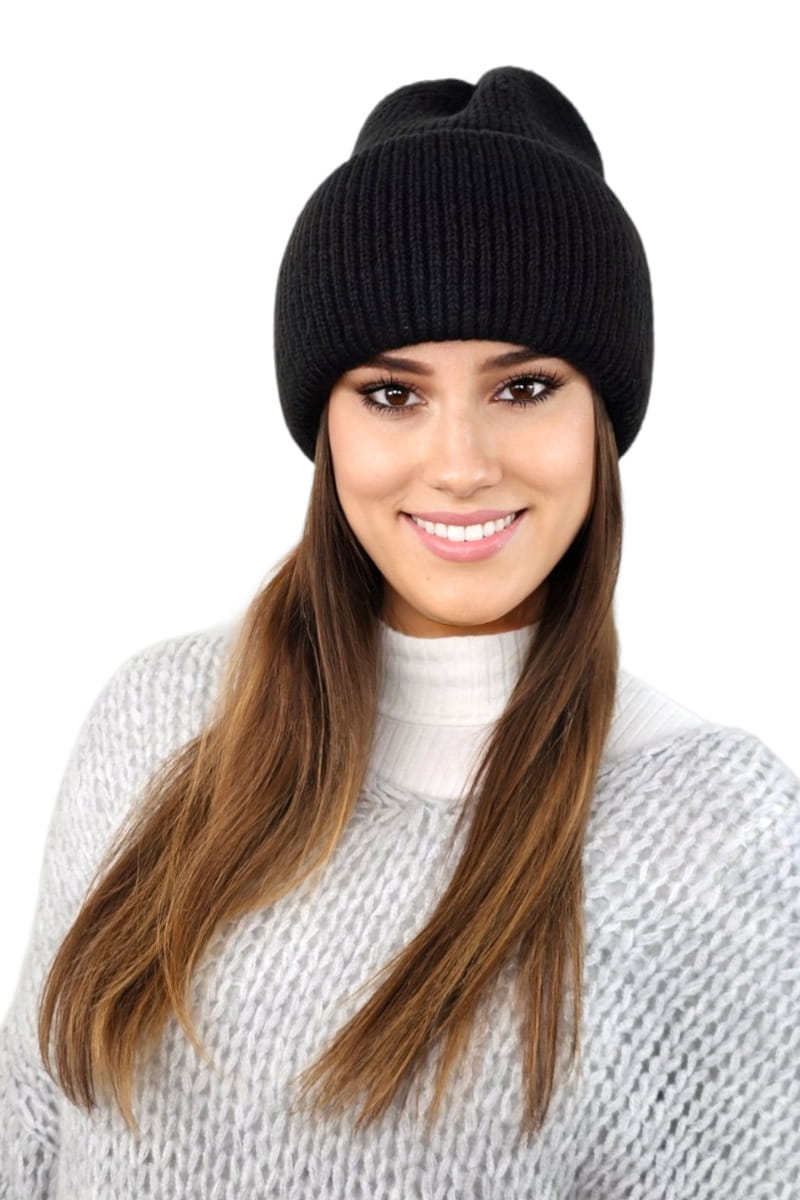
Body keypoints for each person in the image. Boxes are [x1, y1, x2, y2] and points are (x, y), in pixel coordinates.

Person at [1, 65, 797, 1200]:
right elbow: (27, 1140)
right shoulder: (158, 722)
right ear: (324, 423)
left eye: (524, 388)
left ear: (602, 421)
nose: (460, 464)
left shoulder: (714, 832)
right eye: (392, 393)